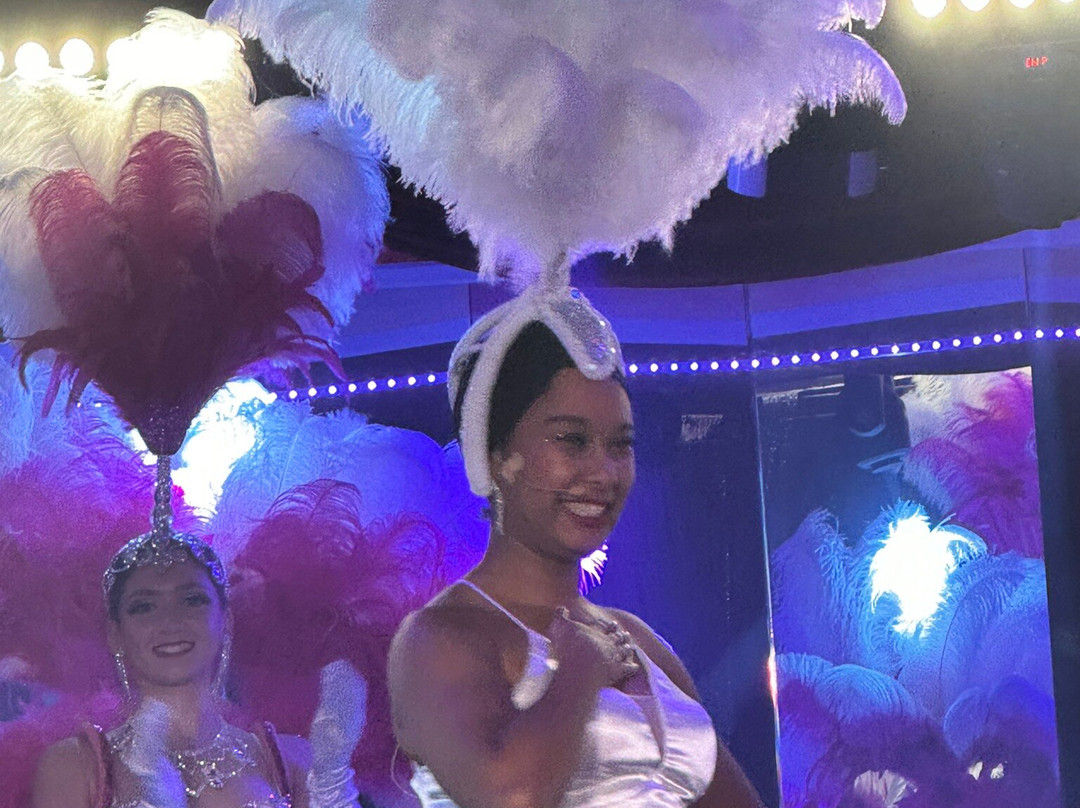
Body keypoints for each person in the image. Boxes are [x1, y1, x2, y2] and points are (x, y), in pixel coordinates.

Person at [388, 286, 763, 808]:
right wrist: (580, 670)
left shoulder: (639, 641)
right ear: (494, 455)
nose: (603, 473)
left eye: (621, 445)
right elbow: (511, 798)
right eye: (571, 440)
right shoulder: (440, 639)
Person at [31, 524, 365, 808]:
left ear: (225, 620)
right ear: (115, 634)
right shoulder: (75, 766)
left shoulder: (291, 760)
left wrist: (333, 788)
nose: (170, 620)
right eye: (144, 606)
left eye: (192, 600)